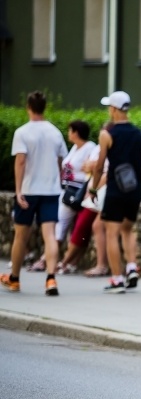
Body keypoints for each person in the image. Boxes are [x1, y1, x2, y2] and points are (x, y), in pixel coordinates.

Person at [1, 90, 68, 296]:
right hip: (50, 190)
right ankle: (50, 279)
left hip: (29, 190)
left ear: (28, 108)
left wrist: (19, 190)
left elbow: (20, 161)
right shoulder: (55, 132)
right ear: (44, 108)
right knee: (49, 235)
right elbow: (61, 162)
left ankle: (14, 278)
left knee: (21, 236)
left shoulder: (22, 132)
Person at [89, 90, 141, 293]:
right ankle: (132, 266)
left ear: (114, 109)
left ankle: (117, 278)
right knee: (128, 229)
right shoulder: (140, 135)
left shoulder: (107, 134)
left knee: (112, 233)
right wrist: (136, 184)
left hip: (115, 189)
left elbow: (99, 166)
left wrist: (93, 187)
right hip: (134, 190)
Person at [28, 120, 97, 273]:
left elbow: (90, 166)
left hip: (76, 192)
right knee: (66, 228)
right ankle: (63, 261)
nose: (68, 134)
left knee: (60, 226)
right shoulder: (74, 148)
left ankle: (45, 260)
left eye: (70, 131)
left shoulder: (89, 147)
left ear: (76, 133)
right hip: (65, 191)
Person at [59, 123, 112, 275]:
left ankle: (67, 262)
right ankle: (70, 262)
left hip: (99, 192)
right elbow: (86, 167)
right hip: (93, 190)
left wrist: (93, 187)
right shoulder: (97, 148)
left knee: (84, 225)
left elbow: (100, 169)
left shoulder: (106, 148)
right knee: (85, 227)